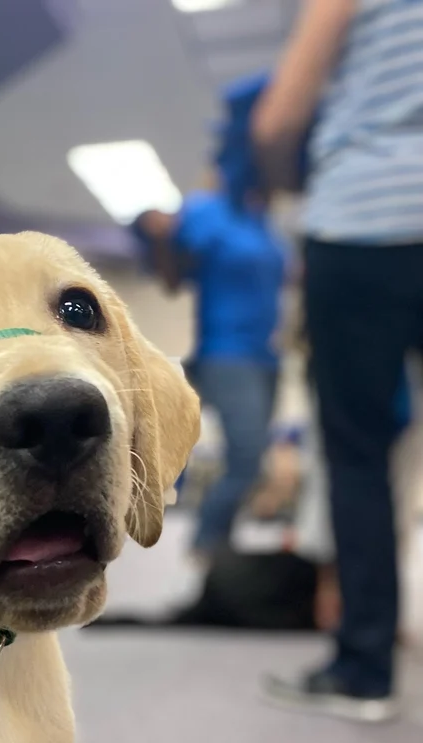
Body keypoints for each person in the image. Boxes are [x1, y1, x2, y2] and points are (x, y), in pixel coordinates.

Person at [255, 0, 423, 722]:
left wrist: (289, 179)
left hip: (363, 223)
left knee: (357, 456)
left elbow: (278, 119)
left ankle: (364, 671)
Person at [134, 75, 289, 558]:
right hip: (227, 354)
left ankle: (220, 544)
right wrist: (156, 232)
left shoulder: (263, 222)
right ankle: (205, 544)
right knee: (246, 456)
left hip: (267, 357)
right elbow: (169, 272)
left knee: (252, 460)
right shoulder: (206, 211)